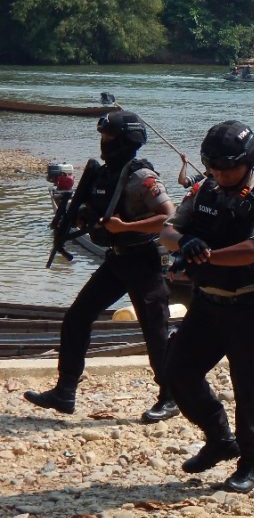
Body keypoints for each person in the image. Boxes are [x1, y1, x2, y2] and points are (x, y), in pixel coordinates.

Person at [159, 120, 254, 494]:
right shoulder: (205, 188)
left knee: (251, 388)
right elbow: (167, 231)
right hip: (207, 303)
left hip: (251, 306)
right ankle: (219, 437)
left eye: (226, 167)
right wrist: (185, 242)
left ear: (248, 162)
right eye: (213, 166)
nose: (218, 173)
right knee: (177, 372)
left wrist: (207, 256)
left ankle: (250, 460)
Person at [25, 111, 179, 423]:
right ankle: (65, 390)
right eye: (103, 137)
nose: (103, 143)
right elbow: (96, 210)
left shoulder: (140, 176)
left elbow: (169, 216)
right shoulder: (105, 174)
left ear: (125, 140)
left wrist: (122, 227)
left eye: (109, 138)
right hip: (117, 260)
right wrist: (83, 216)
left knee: (155, 330)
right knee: (77, 317)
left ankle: (171, 397)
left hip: (143, 259)